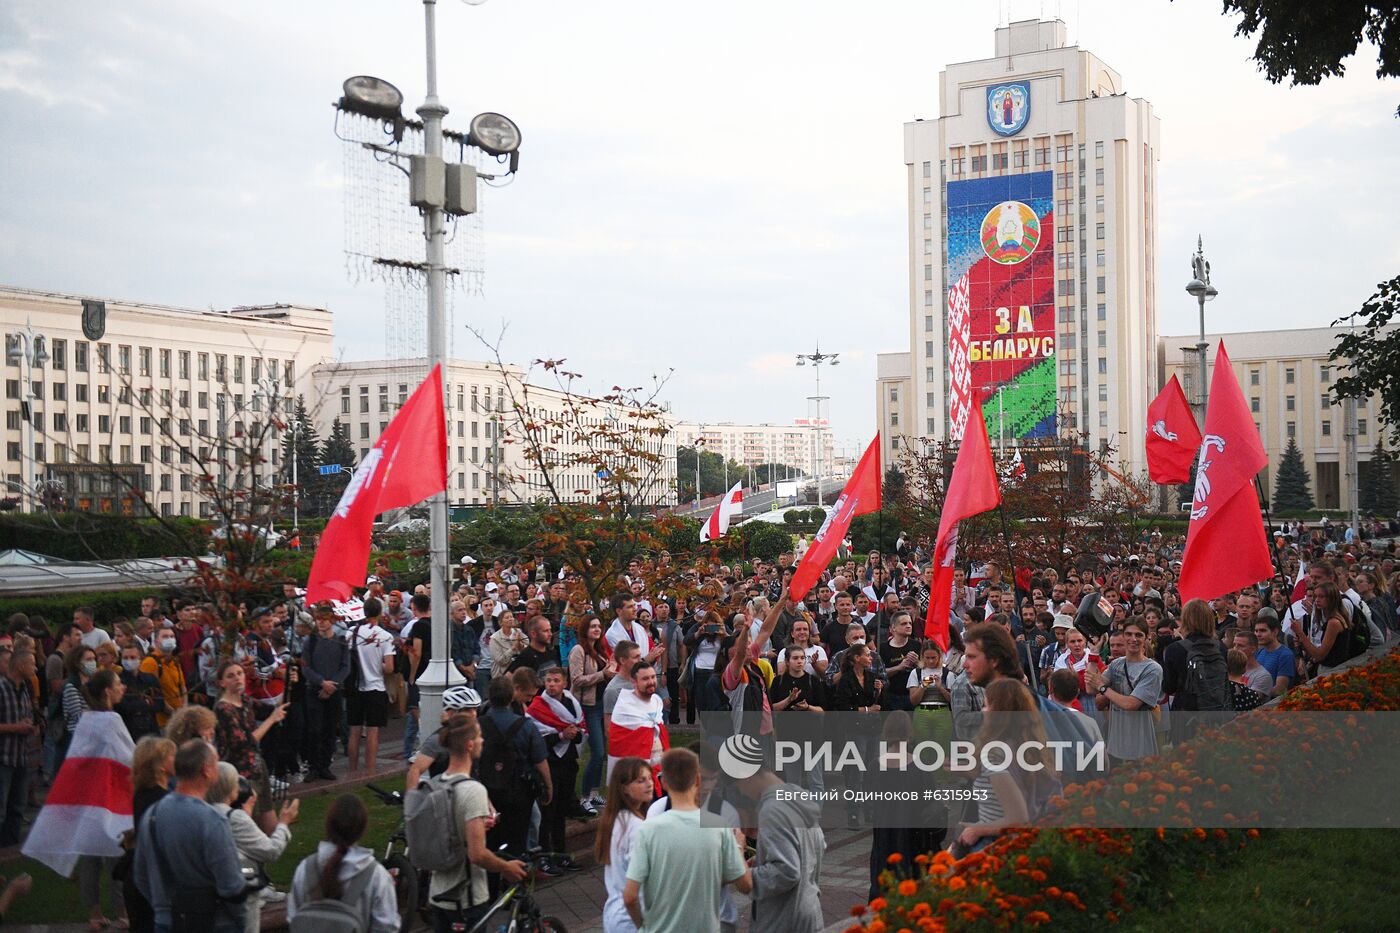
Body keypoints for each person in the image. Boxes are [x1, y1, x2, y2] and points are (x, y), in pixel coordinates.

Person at [622, 748, 752, 933]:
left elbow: (629, 897)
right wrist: (738, 848)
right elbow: (745, 885)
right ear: (697, 779)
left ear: (664, 782)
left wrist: (644, 926)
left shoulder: (647, 830)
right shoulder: (720, 826)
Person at [135, 740, 249, 933]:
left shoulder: (152, 814)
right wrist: (241, 919)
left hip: (167, 921)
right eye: (216, 763)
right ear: (206, 769)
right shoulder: (212, 820)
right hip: (213, 922)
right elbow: (232, 886)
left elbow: (141, 875)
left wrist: (163, 907)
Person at [424, 720, 528, 932]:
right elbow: (477, 854)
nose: (483, 740)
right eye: (479, 736)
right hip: (466, 897)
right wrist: (506, 867)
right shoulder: (473, 790)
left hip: (438, 894)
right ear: (470, 745)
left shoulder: (435, 784)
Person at [952, 679, 1060, 856]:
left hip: (997, 846)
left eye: (986, 706)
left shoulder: (995, 753)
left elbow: (1017, 818)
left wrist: (976, 830)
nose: (983, 711)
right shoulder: (1029, 746)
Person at [206, 762, 299, 933]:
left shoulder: (206, 811)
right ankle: (260, 890)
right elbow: (271, 850)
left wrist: (246, 812)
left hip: (212, 895)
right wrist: (284, 823)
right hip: (239, 897)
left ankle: (262, 889)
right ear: (229, 787)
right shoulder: (235, 818)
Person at [733, 761, 824, 933]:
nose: (743, 792)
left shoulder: (772, 809)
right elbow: (817, 846)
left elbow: (787, 872)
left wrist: (742, 860)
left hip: (784, 919)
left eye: (738, 786)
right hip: (809, 910)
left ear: (746, 776)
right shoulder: (796, 797)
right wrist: (762, 858)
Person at [287, 794, 399, 933]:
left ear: (328, 825)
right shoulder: (376, 875)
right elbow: (387, 926)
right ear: (362, 828)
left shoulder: (305, 868)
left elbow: (293, 918)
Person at [480, 676, 551, 878]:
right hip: (518, 792)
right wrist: (548, 787)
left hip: (487, 792)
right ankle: (514, 888)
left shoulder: (479, 724)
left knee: (490, 841)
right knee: (517, 841)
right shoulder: (525, 726)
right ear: (512, 696)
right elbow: (540, 760)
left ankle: (491, 888)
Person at [213, 660, 287, 834]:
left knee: (269, 823)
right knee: (248, 827)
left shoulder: (245, 700)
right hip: (239, 774)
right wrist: (271, 720)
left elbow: (274, 709)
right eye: (231, 676)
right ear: (222, 683)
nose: (237, 678)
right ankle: (250, 862)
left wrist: (291, 684)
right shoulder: (223, 708)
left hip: (257, 766)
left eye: (239, 673)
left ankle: (267, 855)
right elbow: (243, 743)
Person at [525, 667, 585, 872]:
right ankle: (543, 856)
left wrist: (573, 733)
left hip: (568, 762)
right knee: (546, 812)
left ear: (565, 684)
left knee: (561, 811)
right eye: (548, 680)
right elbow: (537, 740)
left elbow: (580, 731)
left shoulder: (572, 704)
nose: (551, 684)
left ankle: (561, 854)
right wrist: (560, 736)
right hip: (549, 764)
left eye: (556, 681)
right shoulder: (537, 707)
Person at [1086, 617, 1162, 768]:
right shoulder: (1117, 664)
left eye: (1138, 635)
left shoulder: (1152, 669)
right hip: (1115, 745)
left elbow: (1130, 704)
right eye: (1129, 634)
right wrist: (1094, 653)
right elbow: (1090, 688)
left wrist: (1103, 688)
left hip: (1140, 747)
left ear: (1146, 637)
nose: (1133, 639)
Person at [597, 757, 654, 933]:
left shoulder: (615, 821)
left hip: (614, 915)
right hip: (632, 920)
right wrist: (642, 926)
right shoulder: (637, 828)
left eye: (650, 778)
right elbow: (632, 894)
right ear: (624, 788)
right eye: (640, 780)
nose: (649, 784)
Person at [568, 616, 616, 814]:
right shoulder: (578, 651)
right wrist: (602, 675)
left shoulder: (599, 650)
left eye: (599, 626)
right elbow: (577, 679)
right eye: (592, 626)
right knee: (596, 752)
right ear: (584, 629)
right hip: (586, 705)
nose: (596, 629)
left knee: (601, 751)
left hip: (600, 703)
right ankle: (585, 796)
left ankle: (595, 793)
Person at [346, 597, 396, 775]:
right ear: (380, 613)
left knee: (354, 731)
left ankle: (352, 769)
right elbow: (389, 667)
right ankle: (370, 770)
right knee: (373, 732)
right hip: (375, 687)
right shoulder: (385, 636)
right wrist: (378, 665)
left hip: (355, 686)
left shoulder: (351, 633)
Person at [301, 605, 350, 782]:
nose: (321, 623)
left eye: (324, 619)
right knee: (314, 729)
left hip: (334, 690)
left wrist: (333, 684)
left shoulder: (341, 641)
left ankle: (325, 765)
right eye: (318, 619)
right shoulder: (310, 641)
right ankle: (313, 766)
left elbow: (345, 666)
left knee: (330, 729)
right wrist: (321, 683)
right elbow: (305, 667)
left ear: (332, 620)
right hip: (314, 690)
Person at [404, 684, 482, 788]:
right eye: (467, 710)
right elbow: (415, 770)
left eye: (475, 709)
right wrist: (412, 801)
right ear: (451, 712)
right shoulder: (438, 740)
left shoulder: (477, 736)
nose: (473, 714)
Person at [0, 648, 39, 847]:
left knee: (17, 806)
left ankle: (11, 848)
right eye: (32, 664)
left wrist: (29, 725)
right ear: (20, 666)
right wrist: (17, 727)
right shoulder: (1, 688)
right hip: (4, 757)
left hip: (21, 756)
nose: (35, 668)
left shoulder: (24, 688)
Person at [140, 627, 186, 729]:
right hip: (162, 721)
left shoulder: (174, 661)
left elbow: (182, 687)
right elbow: (152, 694)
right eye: (165, 637)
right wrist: (173, 713)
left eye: (172, 636)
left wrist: (183, 710)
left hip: (179, 717)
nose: (169, 639)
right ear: (156, 641)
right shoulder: (150, 662)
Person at [117, 644, 166, 740]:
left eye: (132, 657)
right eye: (125, 657)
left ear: (140, 658)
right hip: (129, 733)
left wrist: (137, 705)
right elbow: (123, 707)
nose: (129, 660)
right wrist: (147, 703)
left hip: (151, 730)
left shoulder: (150, 679)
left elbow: (160, 705)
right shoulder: (117, 681)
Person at [1253, 610, 1296, 697]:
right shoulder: (1259, 652)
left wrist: (1254, 695)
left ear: (1275, 632)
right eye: (1256, 631)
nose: (1258, 634)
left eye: (1262, 631)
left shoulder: (1285, 655)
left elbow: (1279, 689)